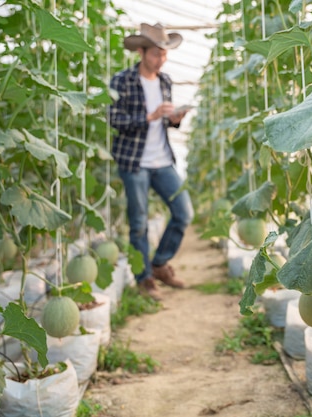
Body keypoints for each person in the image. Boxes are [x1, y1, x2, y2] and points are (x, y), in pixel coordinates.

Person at [109, 23, 194, 301]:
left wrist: (174, 120)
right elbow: (115, 120)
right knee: (139, 223)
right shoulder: (122, 81)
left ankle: (159, 264)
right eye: (157, 53)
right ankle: (144, 278)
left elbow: (163, 124)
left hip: (162, 160)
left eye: (165, 54)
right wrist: (150, 116)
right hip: (134, 162)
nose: (162, 59)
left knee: (183, 213)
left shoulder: (165, 81)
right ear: (142, 52)